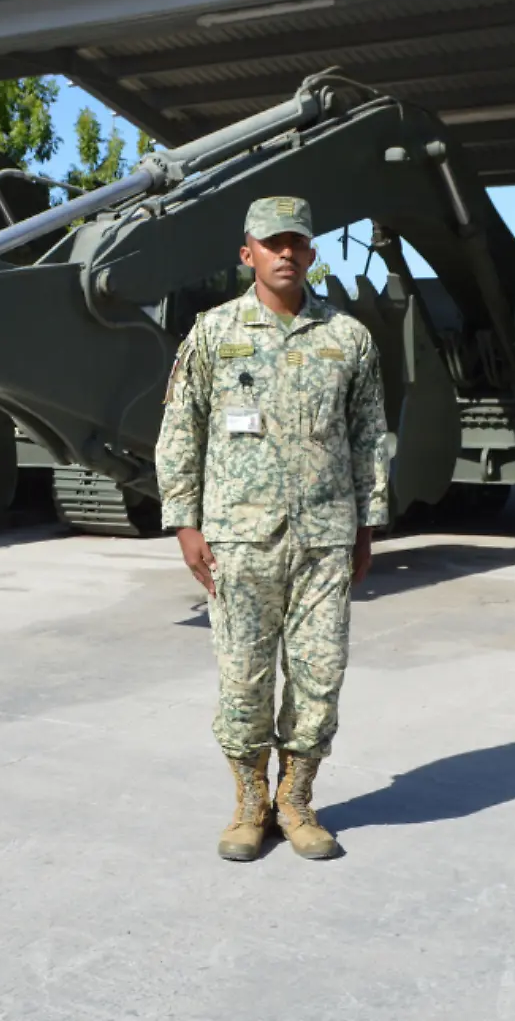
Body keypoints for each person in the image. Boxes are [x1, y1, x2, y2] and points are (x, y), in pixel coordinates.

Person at [154, 195, 392, 862]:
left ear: (312, 253)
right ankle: (249, 803)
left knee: (320, 676)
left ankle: (297, 799)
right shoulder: (212, 333)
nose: (285, 253)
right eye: (271, 242)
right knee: (243, 680)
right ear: (247, 253)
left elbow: (370, 437)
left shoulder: (348, 339)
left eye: (297, 242)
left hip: (323, 541)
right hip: (238, 540)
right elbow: (180, 428)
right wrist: (184, 521)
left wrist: (367, 527)